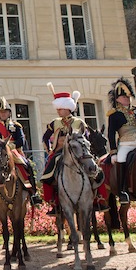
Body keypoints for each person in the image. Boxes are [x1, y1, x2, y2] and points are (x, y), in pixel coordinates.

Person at [0, 97, 43, 206]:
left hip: (13, 151)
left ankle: (33, 193)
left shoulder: (16, 126)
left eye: (5, 112)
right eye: (1, 112)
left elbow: (21, 140)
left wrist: (9, 145)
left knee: (27, 165)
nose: (3, 114)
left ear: (9, 113)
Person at [40, 83, 86, 216]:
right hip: (59, 152)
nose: (58, 111)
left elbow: (86, 137)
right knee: (47, 173)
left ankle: (99, 199)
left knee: (94, 171)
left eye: (60, 109)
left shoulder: (78, 122)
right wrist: (49, 150)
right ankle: (53, 201)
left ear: (67, 108)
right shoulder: (55, 122)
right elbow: (45, 137)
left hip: (77, 153)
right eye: (58, 109)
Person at [106, 78, 136, 205]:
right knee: (121, 159)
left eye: (128, 96)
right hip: (126, 144)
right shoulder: (114, 115)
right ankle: (122, 191)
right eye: (123, 96)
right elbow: (111, 134)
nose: (127, 98)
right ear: (117, 99)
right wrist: (113, 151)